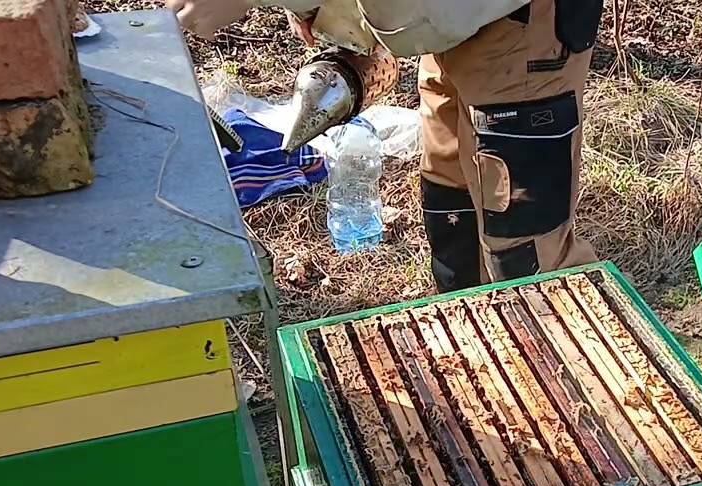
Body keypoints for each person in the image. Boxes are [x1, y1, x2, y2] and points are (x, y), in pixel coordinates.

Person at [168, 0, 604, 292]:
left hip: (521, 22)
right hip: (448, 23)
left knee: (526, 248)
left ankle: (573, 398)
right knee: (450, 192)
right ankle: (475, 344)